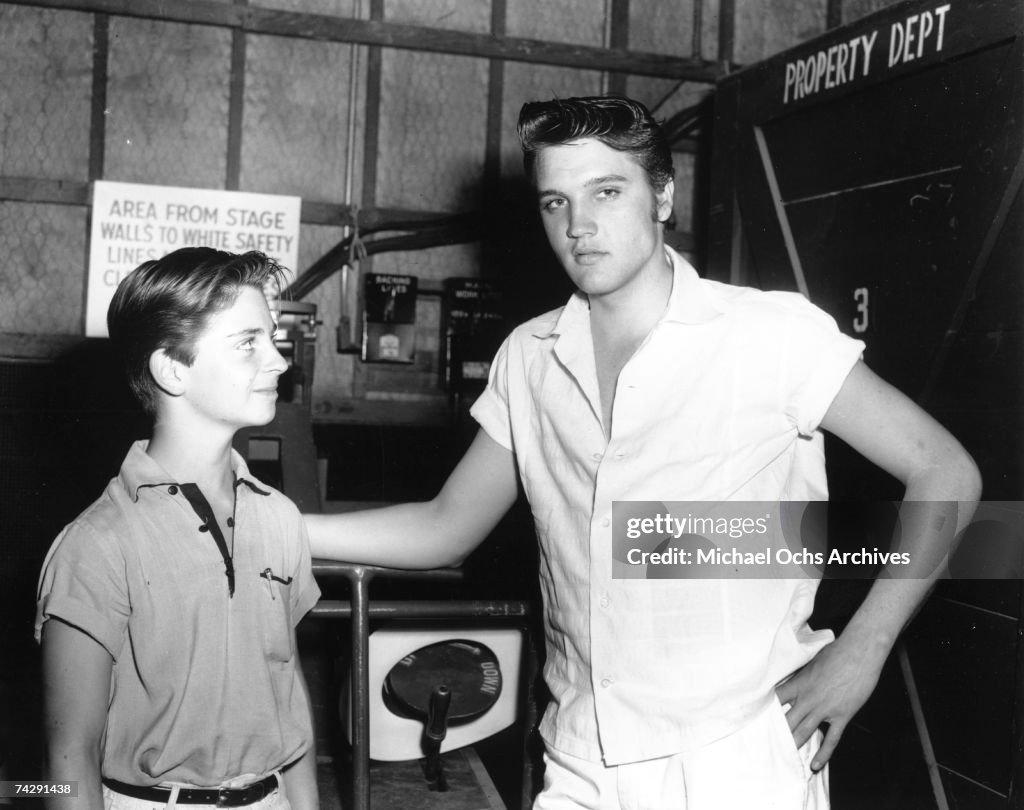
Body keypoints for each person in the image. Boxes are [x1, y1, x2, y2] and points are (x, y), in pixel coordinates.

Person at [304, 96, 981, 809]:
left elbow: (947, 472)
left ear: (662, 195)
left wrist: (862, 651)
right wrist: (281, 525)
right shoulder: (529, 358)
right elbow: (448, 524)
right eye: (554, 202)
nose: (578, 226)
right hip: (580, 760)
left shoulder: (768, 335)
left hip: (737, 759)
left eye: (606, 191)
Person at [36, 248, 321, 810]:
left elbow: (290, 705)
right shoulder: (97, 544)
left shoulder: (280, 520)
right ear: (172, 369)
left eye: (271, 338)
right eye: (248, 343)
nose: (279, 362)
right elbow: (67, 757)